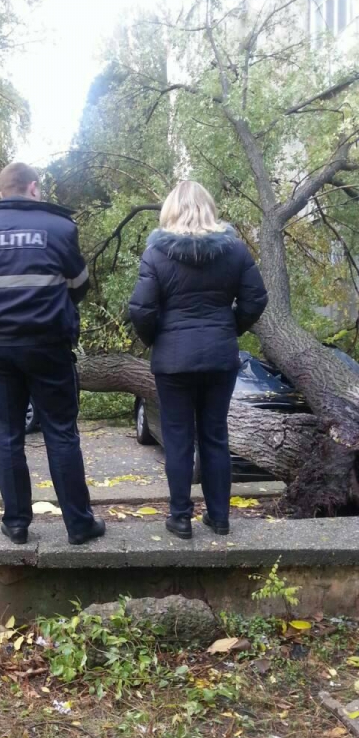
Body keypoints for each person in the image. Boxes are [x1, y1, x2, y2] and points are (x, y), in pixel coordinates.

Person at [0, 162, 105, 546]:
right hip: (48, 345)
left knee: (7, 436)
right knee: (61, 433)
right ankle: (78, 524)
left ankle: (16, 523)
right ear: (34, 188)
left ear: (2, 190)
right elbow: (80, 285)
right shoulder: (59, 228)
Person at [129, 181, 268, 540]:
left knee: (177, 439)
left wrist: (157, 340)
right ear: (208, 208)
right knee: (215, 436)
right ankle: (220, 518)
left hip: (173, 361)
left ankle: (180, 518)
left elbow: (142, 310)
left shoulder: (156, 254)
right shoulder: (235, 251)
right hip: (220, 357)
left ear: (171, 210)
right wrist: (228, 328)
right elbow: (256, 299)